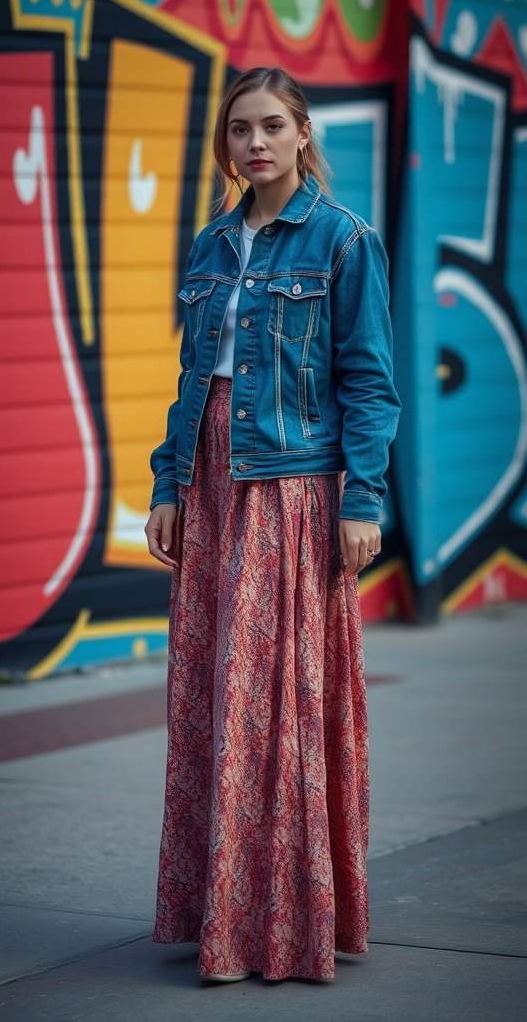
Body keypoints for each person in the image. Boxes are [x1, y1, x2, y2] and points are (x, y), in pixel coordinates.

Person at [145, 66, 400, 984]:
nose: (253, 144)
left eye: (270, 128)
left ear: (301, 135)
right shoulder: (213, 245)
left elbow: (370, 382)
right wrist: (169, 484)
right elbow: (192, 383)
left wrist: (362, 500)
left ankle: (291, 922)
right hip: (212, 484)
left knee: (284, 703)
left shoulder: (343, 241)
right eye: (239, 131)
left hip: (294, 490)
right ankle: (227, 919)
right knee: (220, 703)